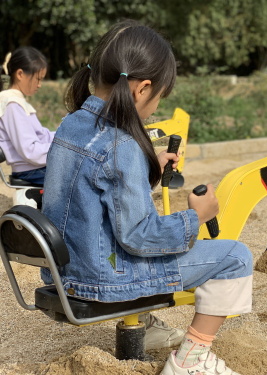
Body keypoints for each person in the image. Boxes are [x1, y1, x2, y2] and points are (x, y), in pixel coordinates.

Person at [41, 20, 252, 375]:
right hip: (104, 278)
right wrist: (195, 217)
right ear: (142, 89)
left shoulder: (70, 124)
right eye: (158, 99)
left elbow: (91, 189)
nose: (154, 108)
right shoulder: (121, 146)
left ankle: (149, 328)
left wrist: (148, 164)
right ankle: (192, 358)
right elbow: (139, 236)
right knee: (235, 256)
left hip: (65, 272)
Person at [0, 47, 55, 186]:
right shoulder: (11, 104)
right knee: (81, 177)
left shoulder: (17, 101)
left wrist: (67, 136)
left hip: (34, 167)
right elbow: (30, 151)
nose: (39, 85)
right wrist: (62, 149)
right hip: (30, 171)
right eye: (37, 79)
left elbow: (43, 135)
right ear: (20, 74)